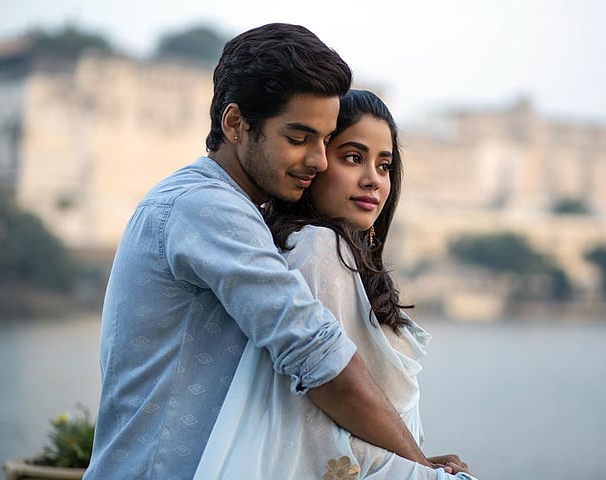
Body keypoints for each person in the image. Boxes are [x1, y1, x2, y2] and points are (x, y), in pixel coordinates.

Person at [85, 24, 438, 479]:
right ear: (235, 124)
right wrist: (421, 468)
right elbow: (315, 353)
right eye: (298, 138)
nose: (318, 160)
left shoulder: (234, 209)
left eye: (326, 141)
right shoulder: (205, 206)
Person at [194, 89, 475, 479]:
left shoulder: (340, 253)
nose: (373, 180)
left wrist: (420, 462)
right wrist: (422, 471)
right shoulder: (318, 248)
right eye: (353, 158)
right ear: (318, 163)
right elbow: (320, 417)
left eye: (384, 165)